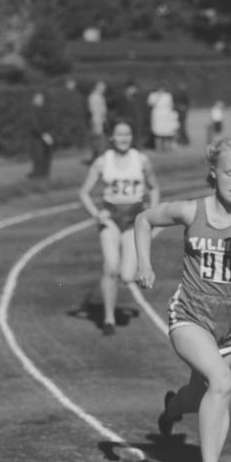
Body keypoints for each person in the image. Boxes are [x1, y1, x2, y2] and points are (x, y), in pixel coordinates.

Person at [134, 138, 231, 462]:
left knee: (203, 394)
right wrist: (144, 263)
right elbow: (143, 220)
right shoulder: (189, 210)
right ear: (214, 171)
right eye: (230, 171)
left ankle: (173, 408)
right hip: (191, 314)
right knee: (222, 382)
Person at [79, 120, 160, 335]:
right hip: (111, 218)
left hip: (134, 218)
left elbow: (154, 188)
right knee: (111, 267)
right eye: (120, 134)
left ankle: (110, 309)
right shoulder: (102, 162)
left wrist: (151, 215)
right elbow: (83, 192)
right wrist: (96, 215)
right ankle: (108, 318)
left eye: (128, 134)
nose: (124, 138)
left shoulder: (141, 160)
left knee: (126, 276)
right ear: (112, 137)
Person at [115, 81, 148, 150]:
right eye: (133, 88)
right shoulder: (122, 98)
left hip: (136, 122)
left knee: (136, 138)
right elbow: (121, 111)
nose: (135, 90)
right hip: (127, 122)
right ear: (128, 88)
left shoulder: (137, 98)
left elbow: (140, 111)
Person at [28, 91, 53, 181]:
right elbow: (34, 125)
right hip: (37, 138)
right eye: (39, 99)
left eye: (42, 99)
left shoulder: (43, 110)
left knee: (46, 157)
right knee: (39, 157)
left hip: (45, 136)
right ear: (34, 100)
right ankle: (38, 176)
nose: (41, 101)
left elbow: (47, 122)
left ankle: (44, 176)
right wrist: (43, 134)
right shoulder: (33, 111)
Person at [147, 86, 178, 152]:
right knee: (158, 133)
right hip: (157, 115)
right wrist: (158, 96)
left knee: (166, 132)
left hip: (166, 115)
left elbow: (171, 105)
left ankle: (166, 148)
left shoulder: (168, 95)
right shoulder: (153, 95)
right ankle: (158, 148)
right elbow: (150, 103)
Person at [87, 81, 108, 162]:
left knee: (100, 139)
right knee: (98, 139)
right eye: (102, 87)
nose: (104, 89)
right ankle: (97, 157)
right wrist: (98, 120)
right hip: (97, 119)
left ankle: (99, 156)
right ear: (97, 87)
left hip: (101, 119)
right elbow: (93, 110)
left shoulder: (100, 96)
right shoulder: (94, 96)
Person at [172, 82, 191, 146]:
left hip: (181, 113)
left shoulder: (182, 94)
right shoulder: (179, 94)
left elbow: (186, 104)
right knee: (180, 127)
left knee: (181, 127)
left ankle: (183, 140)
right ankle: (182, 140)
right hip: (179, 113)